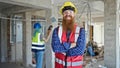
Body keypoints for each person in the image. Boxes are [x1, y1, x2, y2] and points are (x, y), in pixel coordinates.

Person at [51, 1, 86, 68]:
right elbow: (55, 48)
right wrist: (71, 45)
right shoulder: (56, 30)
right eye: (65, 12)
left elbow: (80, 50)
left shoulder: (81, 31)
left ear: (74, 14)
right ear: (63, 15)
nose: (68, 14)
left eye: (70, 12)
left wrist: (63, 49)